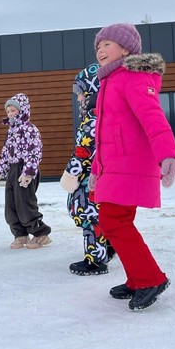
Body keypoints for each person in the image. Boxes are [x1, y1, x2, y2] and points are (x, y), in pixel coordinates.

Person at [89, 23, 175, 311]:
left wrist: (168, 155)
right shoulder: (110, 81)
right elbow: (104, 135)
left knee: (113, 222)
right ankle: (137, 277)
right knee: (115, 222)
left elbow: (153, 117)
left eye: (107, 44)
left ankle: (150, 278)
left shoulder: (133, 78)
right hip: (114, 167)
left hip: (130, 165)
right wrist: (95, 170)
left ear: (126, 49)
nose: (101, 50)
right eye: (98, 46)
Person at [60, 64, 116, 275]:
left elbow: (83, 152)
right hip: (102, 176)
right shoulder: (104, 115)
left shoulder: (92, 120)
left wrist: (70, 173)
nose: (78, 99)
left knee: (89, 216)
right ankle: (108, 247)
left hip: (90, 180)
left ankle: (95, 260)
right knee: (100, 216)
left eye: (80, 93)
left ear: (93, 91)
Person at [0, 93, 52, 249]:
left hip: (25, 170)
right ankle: (20, 234)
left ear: (22, 110)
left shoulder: (30, 129)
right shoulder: (11, 131)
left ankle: (40, 234)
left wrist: (28, 173)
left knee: (25, 204)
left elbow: (34, 151)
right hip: (12, 170)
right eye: (8, 111)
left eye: (13, 110)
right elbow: (5, 153)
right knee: (11, 205)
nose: (10, 114)